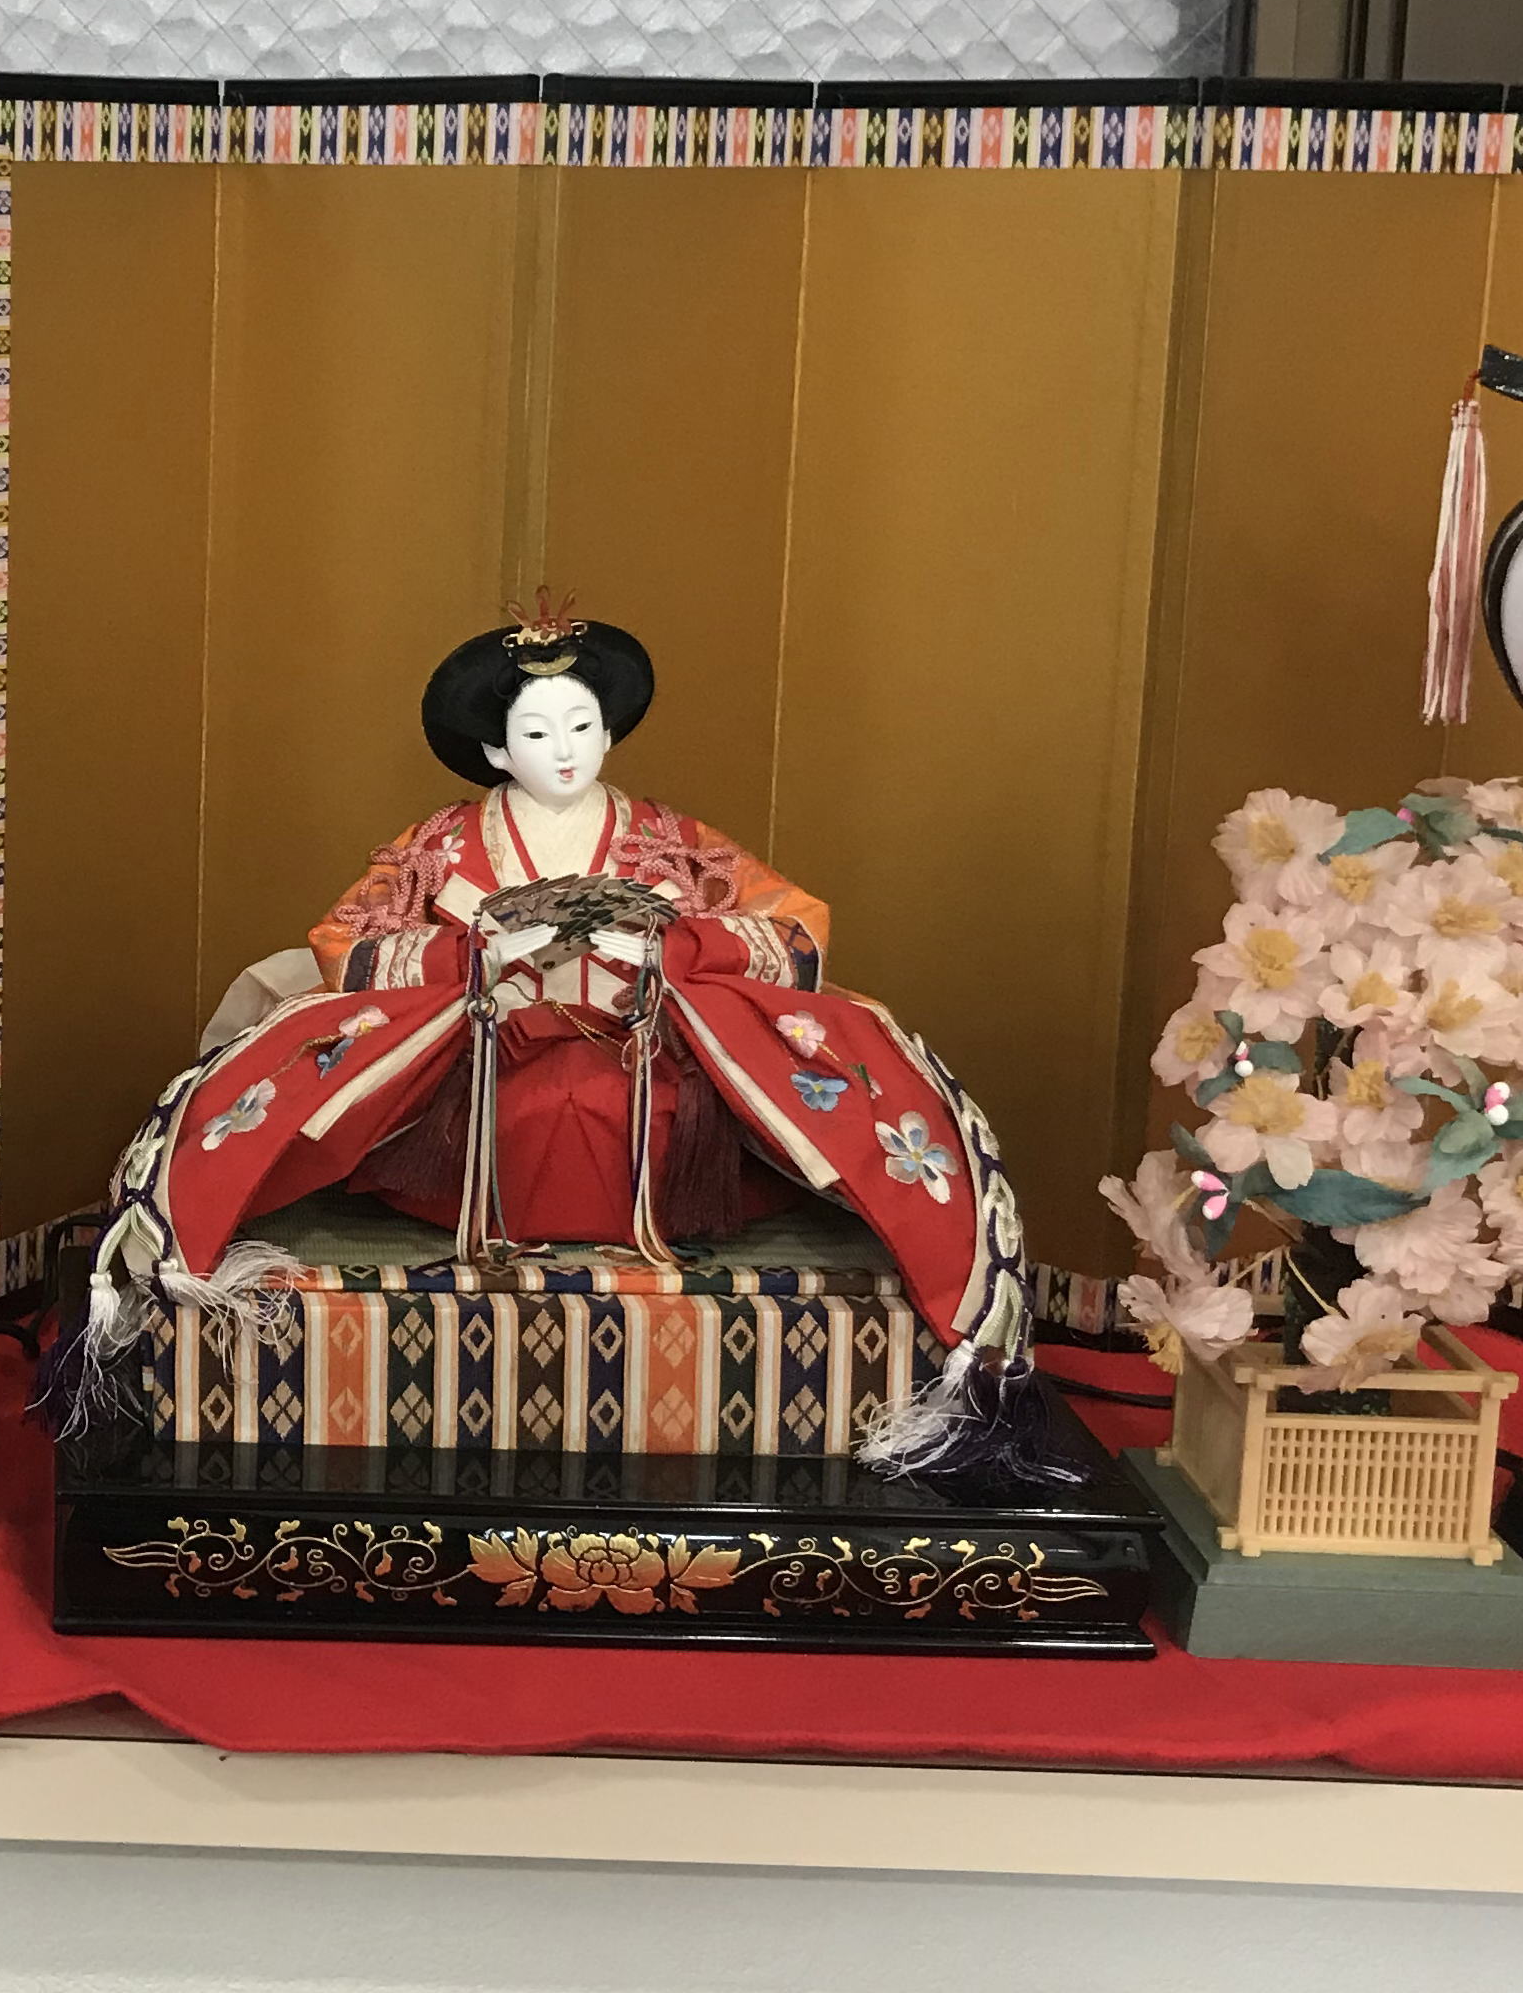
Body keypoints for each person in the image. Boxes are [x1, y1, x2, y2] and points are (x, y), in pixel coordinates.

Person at [88, 601, 1036, 1468]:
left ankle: (951, 1304)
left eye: (582, 726)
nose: (566, 751)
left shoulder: (667, 840)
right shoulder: (442, 847)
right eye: (538, 734)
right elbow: (348, 942)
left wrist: (673, 946)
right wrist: (476, 957)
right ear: (496, 751)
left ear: (611, 730)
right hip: (485, 1058)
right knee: (452, 1085)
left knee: (750, 1069)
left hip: (644, 1053)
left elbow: (792, 927)